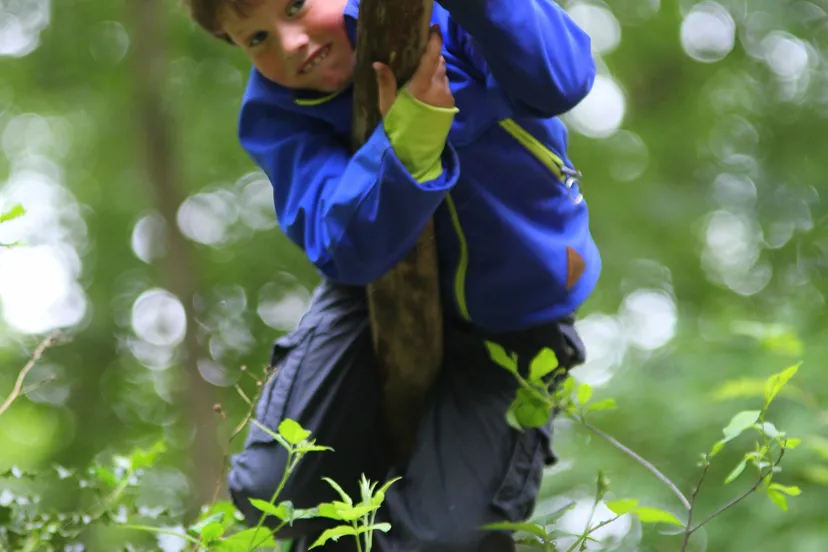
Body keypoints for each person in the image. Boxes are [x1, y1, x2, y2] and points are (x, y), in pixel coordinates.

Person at [182, 0, 599, 549]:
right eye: (256, 38)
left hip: (516, 313)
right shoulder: (277, 111)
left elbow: (561, 79)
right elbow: (339, 243)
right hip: (368, 293)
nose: (290, 44)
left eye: (296, 6)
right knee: (274, 488)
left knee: (445, 539)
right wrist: (407, 143)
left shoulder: (444, 16)